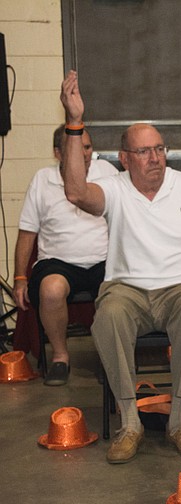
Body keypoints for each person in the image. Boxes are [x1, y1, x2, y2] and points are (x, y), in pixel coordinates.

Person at [60, 71, 181, 464]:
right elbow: (76, 192)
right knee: (108, 314)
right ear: (124, 159)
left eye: (160, 149)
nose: (155, 159)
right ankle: (129, 422)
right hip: (126, 289)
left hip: (180, 285)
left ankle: (179, 421)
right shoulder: (114, 189)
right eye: (144, 152)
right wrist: (75, 122)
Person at [13, 125, 118, 386]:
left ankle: (112, 357)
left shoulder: (106, 172)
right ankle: (60, 357)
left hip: (104, 259)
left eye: (87, 147)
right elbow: (27, 232)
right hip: (57, 262)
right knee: (50, 290)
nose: (83, 153)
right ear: (58, 153)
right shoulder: (42, 179)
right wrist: (19, 278)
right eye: (75, 147)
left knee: (118, 291)